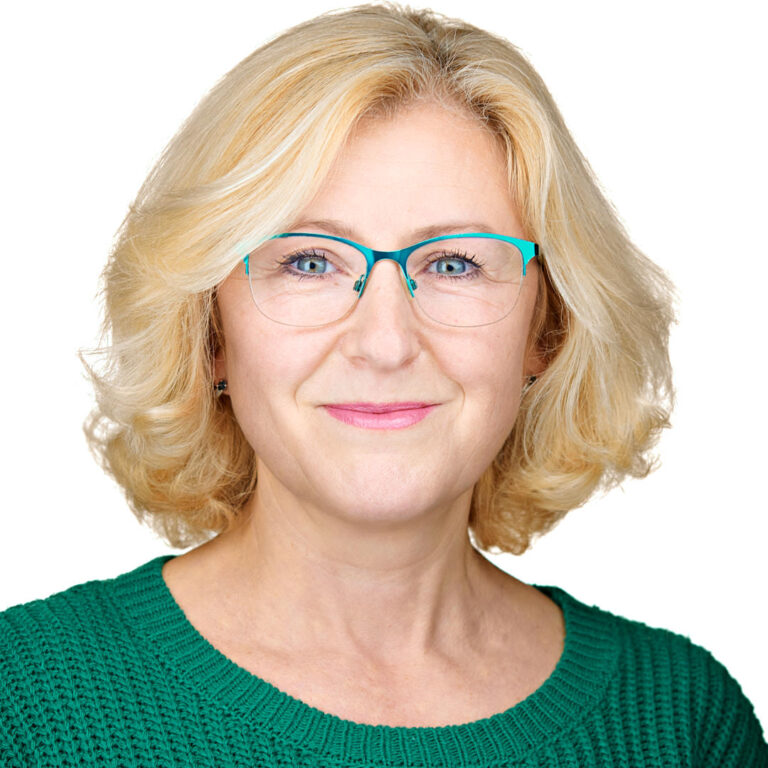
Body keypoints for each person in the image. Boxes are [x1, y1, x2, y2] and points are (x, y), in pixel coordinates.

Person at [1, 3, 765, 766]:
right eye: (308, 262)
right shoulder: (26, 702)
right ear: (208, 331)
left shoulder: (680, 722)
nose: (386, 342)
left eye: (455, 264)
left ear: (548, 328)